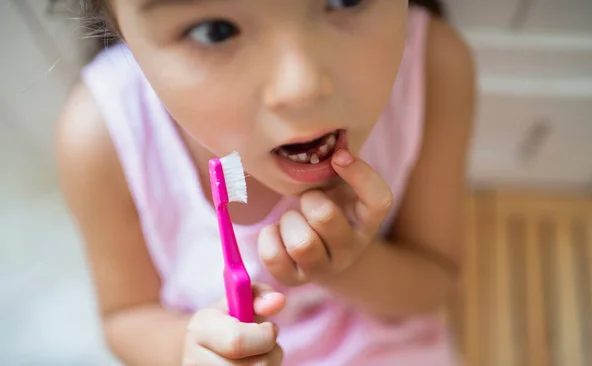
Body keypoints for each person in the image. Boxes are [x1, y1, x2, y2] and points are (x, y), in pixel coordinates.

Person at [56, 0, 475, 364]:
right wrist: (190, 350)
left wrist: (349, 266)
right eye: (215, 31)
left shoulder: (434, 66)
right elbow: (125, 319)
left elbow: (434, 284)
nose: (302, 87)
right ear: (118, 27)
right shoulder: (102, 137)